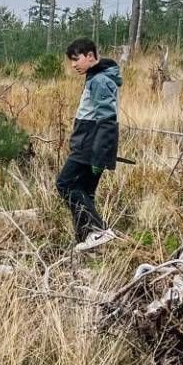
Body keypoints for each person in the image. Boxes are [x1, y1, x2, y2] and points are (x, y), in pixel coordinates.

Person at [57, 39, 121, 251]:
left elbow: (107, 121)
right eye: (71, 61)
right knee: (84, 192)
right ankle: (86, 241)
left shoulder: (100, 81)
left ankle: (97, 230)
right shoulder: (96, 77)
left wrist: (99, 157)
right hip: (90, 145)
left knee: (65, 185)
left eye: (77, 59)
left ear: (90, 56)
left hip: (89, 147)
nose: (74, 65)